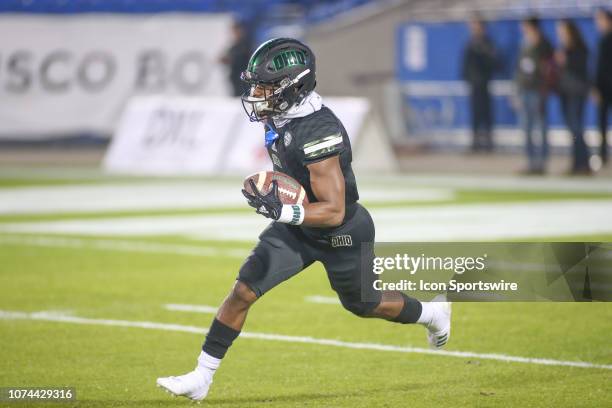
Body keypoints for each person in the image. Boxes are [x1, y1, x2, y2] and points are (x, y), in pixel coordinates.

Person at [156, 38, 452, 402]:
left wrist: (283, 210)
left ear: (293, 87)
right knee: (243, 291)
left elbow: (334, 210)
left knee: (364, 304)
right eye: (256, 86)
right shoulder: (284, 114)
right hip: (298, 226)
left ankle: (433, 313)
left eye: (265, 87)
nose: (257, 94)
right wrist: (284, 199)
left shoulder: (318, 131)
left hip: (341, 231)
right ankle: (202, 377)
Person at [515, 16, 555, 174]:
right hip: (525, 90)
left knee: (541, 127)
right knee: (526, 128)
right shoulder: (524, 43)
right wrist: (517, 90)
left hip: (538, 91)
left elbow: (548, 67)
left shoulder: (544, 43)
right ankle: (531, 162)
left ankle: (542, 163)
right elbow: (519, 68)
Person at [556, 19, 591, 174]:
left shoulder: (579, 49)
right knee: (572, 130)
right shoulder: (564, 49)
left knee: (577, 128)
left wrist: (565, 60)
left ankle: (583, 162)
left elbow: (581, 71)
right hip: (565, 93)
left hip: (576, 93)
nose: (560, 34)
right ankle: (576, 163)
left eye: (563, 31)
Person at [462, 16, 497, 152]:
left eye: (476, 26)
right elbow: (466, 64)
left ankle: (488, 143)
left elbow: (494, 63)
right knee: (475, 115)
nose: (473, 29)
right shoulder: (470, 43)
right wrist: (467, 78)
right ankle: (475, 143)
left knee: (486, 114)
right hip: (474, 85)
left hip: (484, 84)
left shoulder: (487, 43)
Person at [594, 9, 612, 165]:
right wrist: (596, 88)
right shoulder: (601, 40)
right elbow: (598, 68)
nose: (598, 23)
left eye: (600, 19)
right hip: (603, 89)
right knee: (601, 124)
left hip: (608, 87)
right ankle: (602, 155)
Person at [220, 20, 253, 96]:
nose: (235, 33)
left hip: (243, 83)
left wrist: (230, 59)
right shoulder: (234, 46)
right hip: (235, 81)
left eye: (237, 30)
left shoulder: (246, 45)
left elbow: (240, 58)